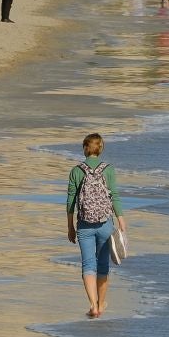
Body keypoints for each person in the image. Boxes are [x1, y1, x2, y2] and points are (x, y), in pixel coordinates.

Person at [65, 132, 127, 319]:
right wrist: (121, 219)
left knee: (88, 265)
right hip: (105, 224)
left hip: (84, 225)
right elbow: (114, 195)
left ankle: (92, 305)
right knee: (102, 265)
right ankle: (101, 304)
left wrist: (70, 226)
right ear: (100, 149)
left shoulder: (76, 171)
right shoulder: (108, 169)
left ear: (85, 148)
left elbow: (70, 201)